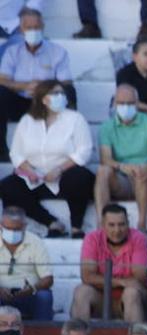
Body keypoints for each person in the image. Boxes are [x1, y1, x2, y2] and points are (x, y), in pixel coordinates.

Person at [0, 81, 94, 238]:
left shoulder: (75, 119)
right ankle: (51, 222)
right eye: (55, 94)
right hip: (36, 178)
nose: (61, 97)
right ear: (43, 99)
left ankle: (77, 227)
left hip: (64, 174)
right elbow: (16, 153)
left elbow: (84, 152)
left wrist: (59, 169)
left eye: (62, 94)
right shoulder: (28, 121)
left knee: (79, 177)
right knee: (8, 186)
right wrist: (29, 171)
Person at [0, 8, 73, 163]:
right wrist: (24, 86)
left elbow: (66, 82)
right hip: (20, 101)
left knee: (69, 92)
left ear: (43, 27)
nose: (33, 31)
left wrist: (44, 87)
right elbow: (2, 79)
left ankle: (68, 145)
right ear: (21, 29)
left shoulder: (58, 52)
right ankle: (1, 149)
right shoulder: (12, 52)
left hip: (47, 102)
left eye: (37, 28)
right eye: (29, 28)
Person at [96, 84, 147, 235]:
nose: (125, 107)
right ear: (114, 104)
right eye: (121, 103)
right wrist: (122, 167)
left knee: (142, 172)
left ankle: (142, 225)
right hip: (122, 179)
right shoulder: (107, 127)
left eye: (130, 103)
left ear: (137, 103)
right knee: (103, 171)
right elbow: (105, 159)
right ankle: (101, 225)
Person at [70, 204, 147, 323]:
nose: (117, 230)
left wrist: (103, 280)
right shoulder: (92, 238)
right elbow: (87, 277)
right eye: (111, 225)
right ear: (102, 225)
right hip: (101, 297)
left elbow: (139, 277)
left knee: (131, 293)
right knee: (82, 292)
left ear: (128, 223)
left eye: (121, 224)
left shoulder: (139, 238)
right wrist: (121, 281)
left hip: (134, 297)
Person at [0, 208, 51, 320]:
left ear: (24, 226)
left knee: (44, 296)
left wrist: (31, 289)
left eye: (16, 229)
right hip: (1, 295)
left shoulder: (36, 242)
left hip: (29, 295)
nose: (12, 233)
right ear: (1, 225)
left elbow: (48, 279)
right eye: (8, 228)